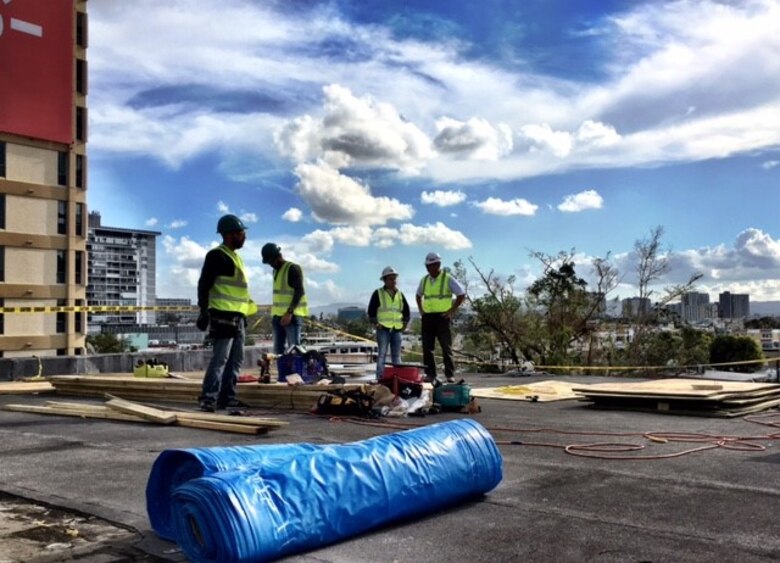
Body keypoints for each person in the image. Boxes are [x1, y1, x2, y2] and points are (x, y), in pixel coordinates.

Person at [195, 214, 257, 412]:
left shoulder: (236, 257)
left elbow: (238, 291)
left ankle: (227, 398)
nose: (244, 237)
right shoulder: (216, 255)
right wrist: (204, 311)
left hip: (237, 316)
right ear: (229, 234)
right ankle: (208, 398)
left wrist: (243, 314)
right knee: (220, 358)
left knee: (236, 360)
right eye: (241, 233)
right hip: (223, 316)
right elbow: (204, 284)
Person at [416, 252, 466, 383]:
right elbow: (418, 295)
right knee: (427, 348)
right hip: (428, 317)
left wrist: (451, 310)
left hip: (442, 317)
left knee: (446, 346)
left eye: (431, 265)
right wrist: (421, 310)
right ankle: (430, 374)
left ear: (438, 264)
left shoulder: (447, 278)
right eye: (427, 266)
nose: (429, 268)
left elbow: (461, 294)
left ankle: (449, 374)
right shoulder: (424, 280)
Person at [262, 242, 308, 355]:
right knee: (278, 352)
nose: (270, 265)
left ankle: (297, 372)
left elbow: (299, 291)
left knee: (294, 350)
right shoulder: (275, 271)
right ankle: (283, 372)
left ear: (277, 256)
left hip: (291, 317)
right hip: (278, 317)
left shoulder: (292, 268)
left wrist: (289, 312)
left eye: (271, 262)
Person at [367, 266, 411, 379]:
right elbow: (371, 310)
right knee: (382, 354)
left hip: (396, 329)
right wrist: (376, 323)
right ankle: (380, 377)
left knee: (396, 355)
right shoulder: (378, 293)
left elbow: (406, 310)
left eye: (394, 278)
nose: (393, 281)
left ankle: (398, 378)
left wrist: (404, 325)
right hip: (383, 329)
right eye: (391, 279)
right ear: (385, 280)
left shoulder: (400, 294)